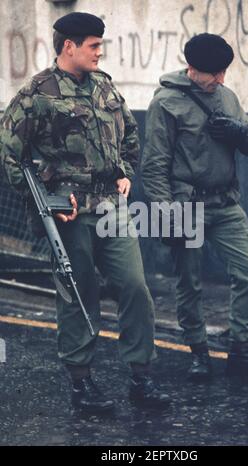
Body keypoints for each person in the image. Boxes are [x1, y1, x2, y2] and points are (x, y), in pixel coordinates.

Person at [0, 12, 169, 410]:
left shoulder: (105, 87)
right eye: (93, 45)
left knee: (136, 288)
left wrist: (126, 171)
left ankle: (141, 378)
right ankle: (81, 384)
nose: (99, 52)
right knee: (79, 294)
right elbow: (10, 156)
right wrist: (46, 204)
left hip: (112, 208)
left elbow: (129, 131)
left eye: (100, 45)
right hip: (69, 212)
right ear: (68, 47)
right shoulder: (36, 94)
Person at [141, 33, 248, 380]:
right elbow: (154, 165)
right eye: (214, 73)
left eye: (223, 72)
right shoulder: (166, 103)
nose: (220, 79)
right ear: (192, 69)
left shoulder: (226, 96)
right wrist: (165, 214)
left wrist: (237, 131)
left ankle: (242, 350)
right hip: (185, 206)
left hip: (225, 204)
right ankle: (198, 353)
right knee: (189, 282)